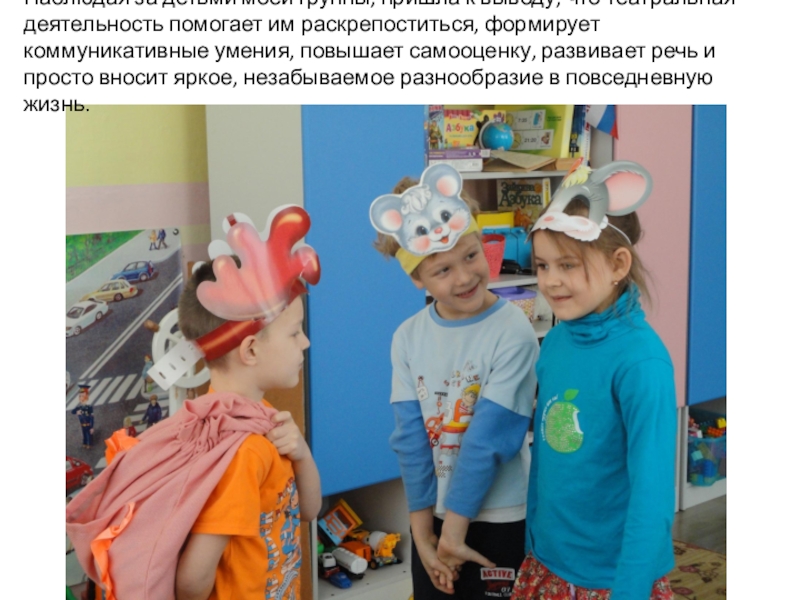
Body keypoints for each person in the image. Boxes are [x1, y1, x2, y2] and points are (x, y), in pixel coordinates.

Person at [65, 206, 322, 600]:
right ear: (250, 350)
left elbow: (307, 510)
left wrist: (300, 451)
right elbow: (191, 583)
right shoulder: (244, 450)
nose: (305, 342)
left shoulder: (238, 422)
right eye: (294, 333)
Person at [370, 164, 540, 600]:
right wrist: (423, 533)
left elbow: (489, 440)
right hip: (435, 518)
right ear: (417, 279)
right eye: (442, 270)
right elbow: (411, 440)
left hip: (499, 516)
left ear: (484, 244)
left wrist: (452, 534)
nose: (464, 277)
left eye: (470, 256)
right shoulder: (407, 337)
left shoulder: (513, 331)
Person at [513, 161, 676, 600]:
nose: (551, 281)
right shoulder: (557, 340)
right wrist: (534, 540)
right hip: (548, 560)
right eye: (542, 265)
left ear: (618, 263)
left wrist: (630, 591)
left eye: (568, 265)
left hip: (613, 578)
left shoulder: (642, 363)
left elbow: (652, 497)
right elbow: (547, 458)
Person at [71, 384, 94, 448]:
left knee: (89, 434)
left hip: (88, 424)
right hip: (82, 424)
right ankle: (85, 442)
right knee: (84, 434)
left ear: (87, 397)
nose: (81, 398)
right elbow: (72, 411)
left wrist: (92, 427)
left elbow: (91, 417)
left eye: (83, 396)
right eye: (80, 396)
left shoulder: (89, 407)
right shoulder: (79, 407)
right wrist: (76, 412)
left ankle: (89, 443)